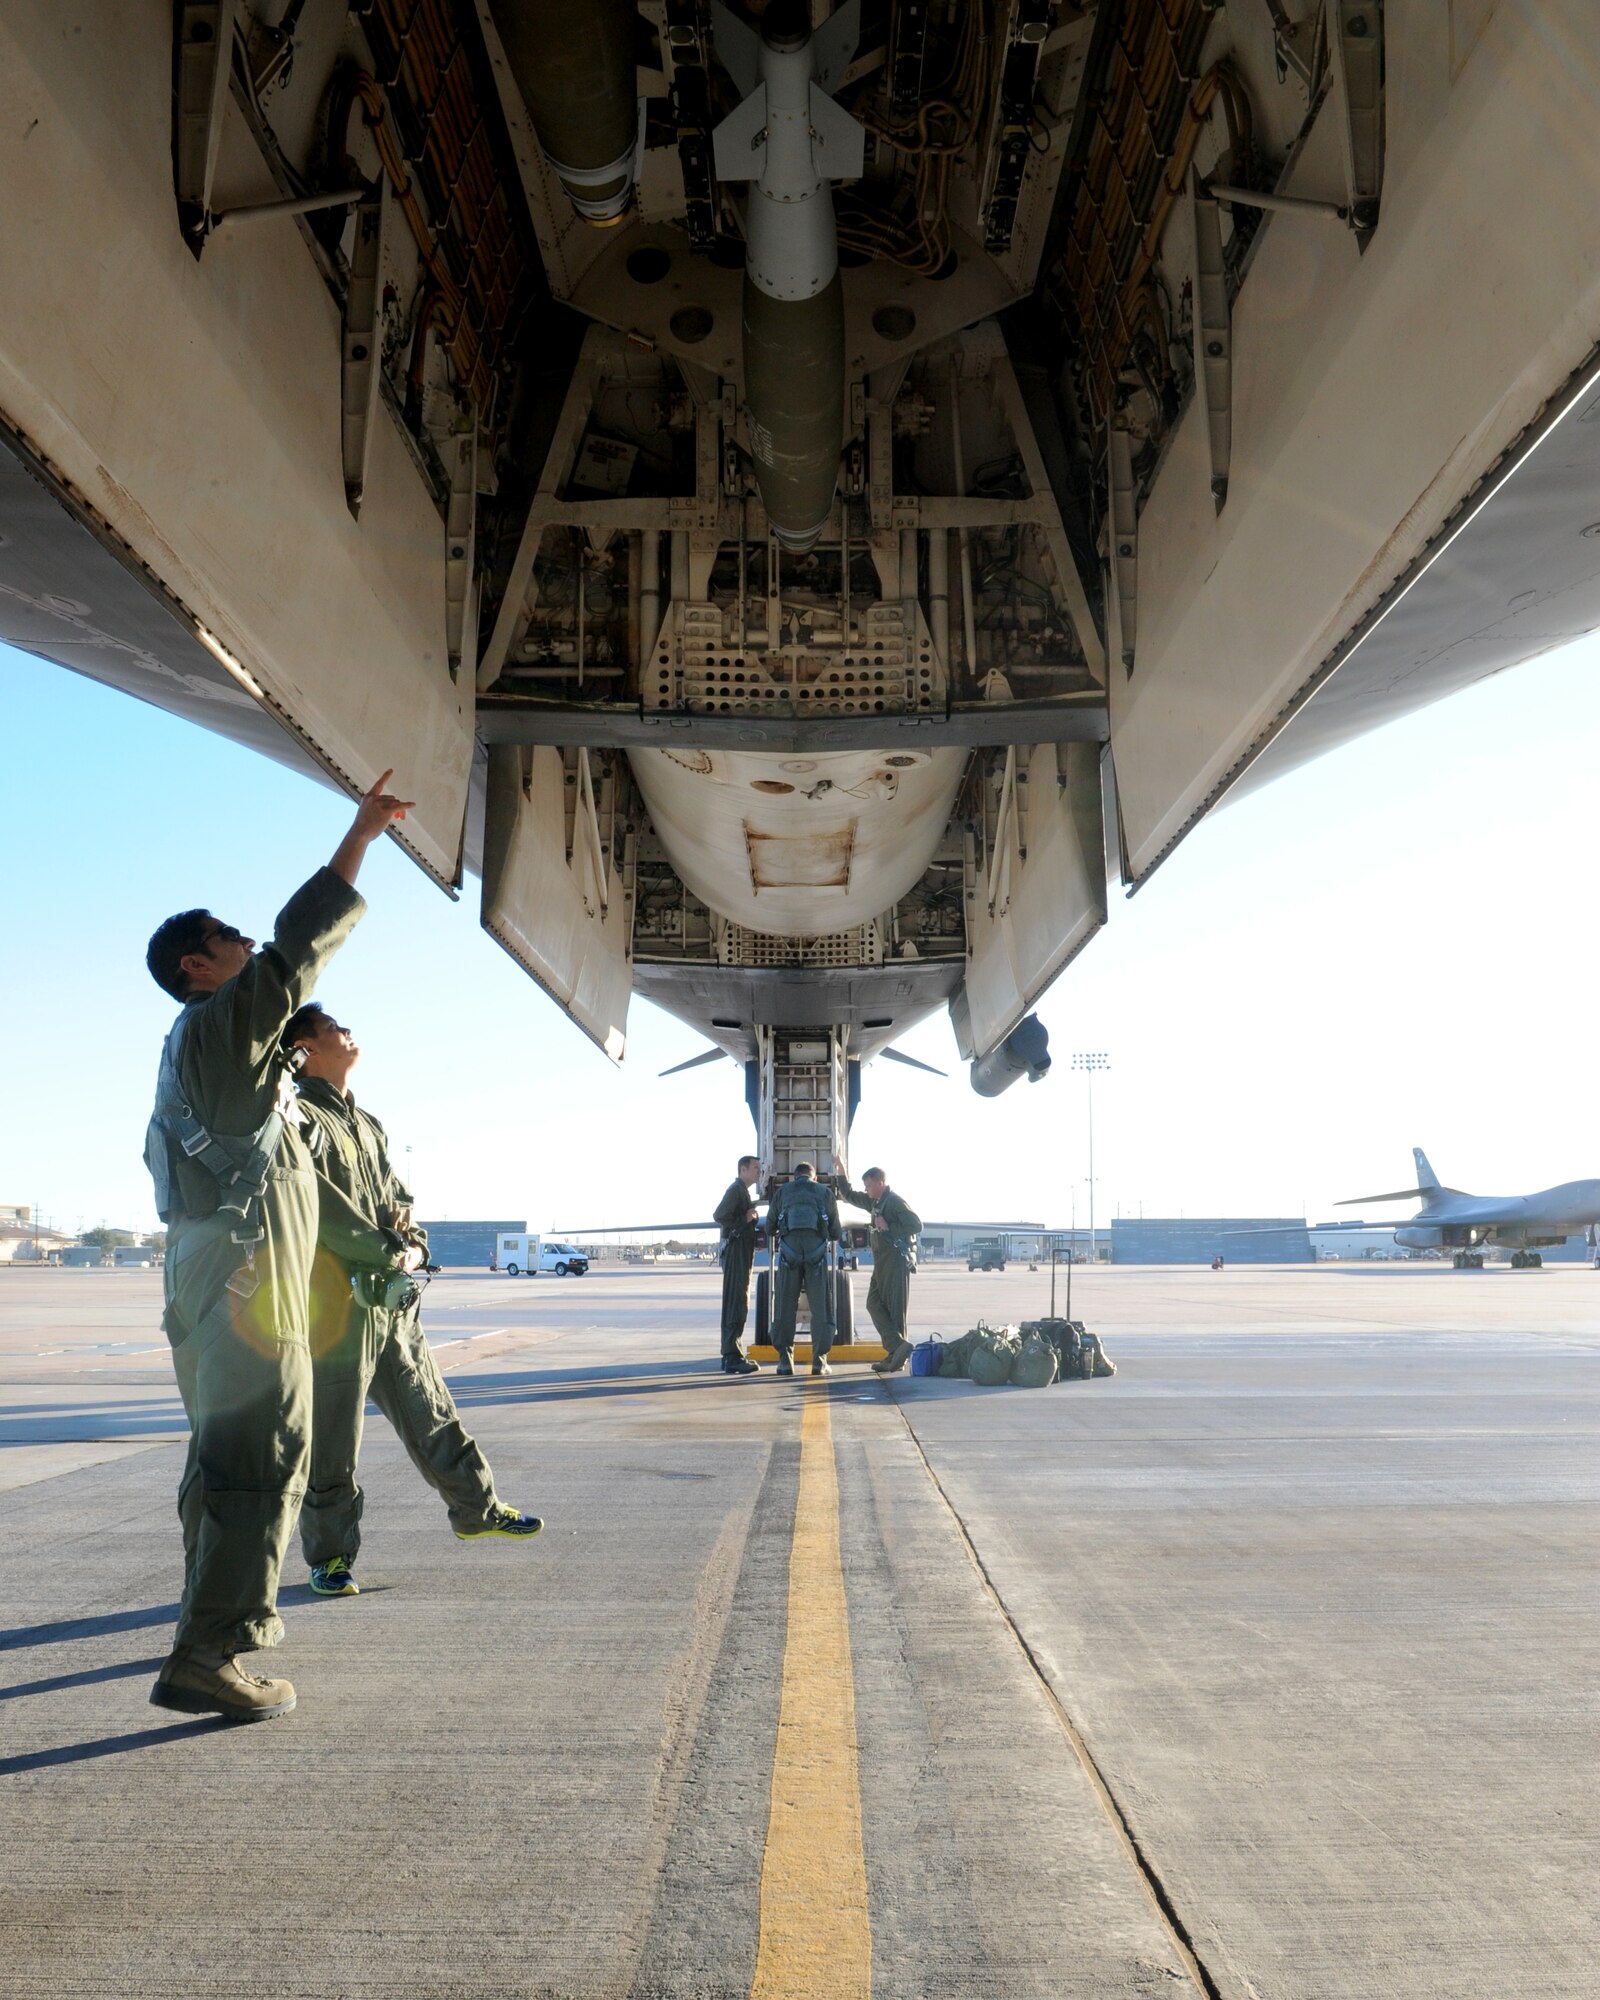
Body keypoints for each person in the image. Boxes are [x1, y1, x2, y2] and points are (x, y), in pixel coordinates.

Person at [142, 771, 412, 1723]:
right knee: (262, 1459)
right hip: (249, 1287)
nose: (247, 945)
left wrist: (383, 1252)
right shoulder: (220, 1031)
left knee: (223, 1464)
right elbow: (296, 953)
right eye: (228, 941)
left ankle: (202, 1627)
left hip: (224, 1277)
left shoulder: (236, 1072)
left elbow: (310, 1193)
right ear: (196, 970)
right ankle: (213, 1653)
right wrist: (360, 837)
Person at [283, 1005, 541, 1597]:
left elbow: (400, 1197)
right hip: (334, 1310)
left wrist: (415, 1248)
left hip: (392, 1306)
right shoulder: (298, 1116)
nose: (348, 1031)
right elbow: (314, 1203)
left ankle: (478, 1510)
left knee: (434, 1413)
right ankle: (330, 1558)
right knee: (331, 1442)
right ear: (304, 1047)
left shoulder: (367, 1122)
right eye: (333, 1027)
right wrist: (384, 1248)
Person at [831, 1160, 922, 1374]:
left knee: (894, 1309)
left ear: (881, 1183)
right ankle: (897, 1348)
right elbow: (849, 1195)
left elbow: (916, 1225)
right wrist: (841, 1172)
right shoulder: (876, 1202)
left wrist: (890, 1226)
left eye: (869, 1185)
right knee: (873, 1303)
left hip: (895, 1261)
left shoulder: (894, 1202)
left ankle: (896, 1356)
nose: (866, 1190)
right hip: (881, 1262)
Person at [770, 1163, 842, 1377]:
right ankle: (819, 1362)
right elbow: (836, 1232)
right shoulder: (825, 1193)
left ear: (794, 1177)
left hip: (788, 1257)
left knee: (784, 1307)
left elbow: (769, 1228)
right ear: (815, 1177)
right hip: (816, 1257)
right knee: (821, 1309)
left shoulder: (782, 1193)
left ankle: (784, 1360)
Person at [713, 1155, 763, 1376]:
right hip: (736, 1252)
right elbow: (720, 1215)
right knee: (736, 1302)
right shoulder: (736, 1190)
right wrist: (745, 1219)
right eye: (755, 1168)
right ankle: (732, 1356)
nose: (758, 1171)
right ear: (743, 1169)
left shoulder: (742, 1191)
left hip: (741, 1251)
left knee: (738, 1301)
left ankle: (731, 1354)